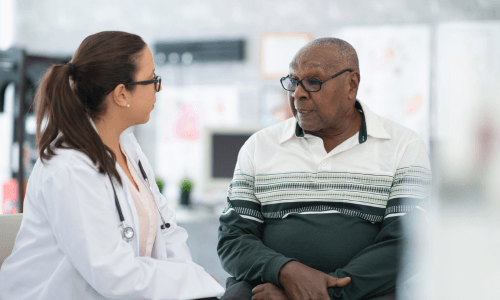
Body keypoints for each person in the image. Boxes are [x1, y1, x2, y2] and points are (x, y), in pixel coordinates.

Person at [0, 31, 224, 300]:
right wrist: (192, 281)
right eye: (152, 79)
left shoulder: (130, 151)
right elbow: (114, 274)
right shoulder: (69, 167)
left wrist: (193, 284)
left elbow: (168, 232)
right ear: (121, 94)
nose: (158, 88)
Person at [217, 37, 432, 300]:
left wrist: (321, 294)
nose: (298, 93)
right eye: (293, 81)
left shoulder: (403, 146)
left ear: (351, 84)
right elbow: (233, 239)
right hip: (268, 287)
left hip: (364, 294)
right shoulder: (259, 146)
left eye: (313, 82)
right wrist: (287, 272)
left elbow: (406, 243)